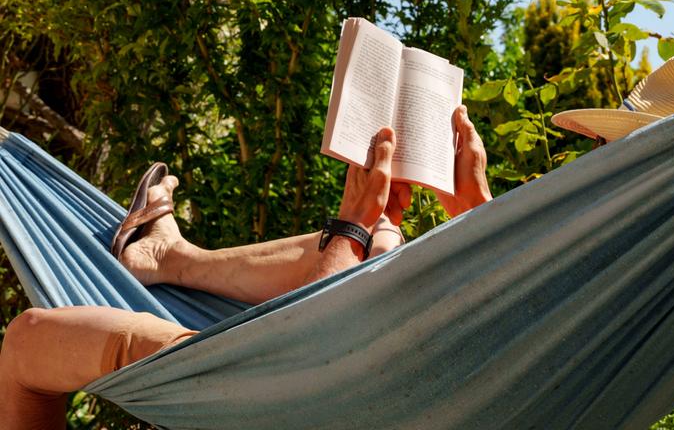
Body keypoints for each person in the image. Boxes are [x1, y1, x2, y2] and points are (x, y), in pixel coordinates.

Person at [0, 105, 492, 430]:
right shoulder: (560, 342)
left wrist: (350, 230)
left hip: (285, 395)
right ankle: (168, 258)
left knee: (27, 343)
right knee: (384, 242)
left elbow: (307, 365)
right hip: (381, 379)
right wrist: (476, 212)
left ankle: (170, 263)